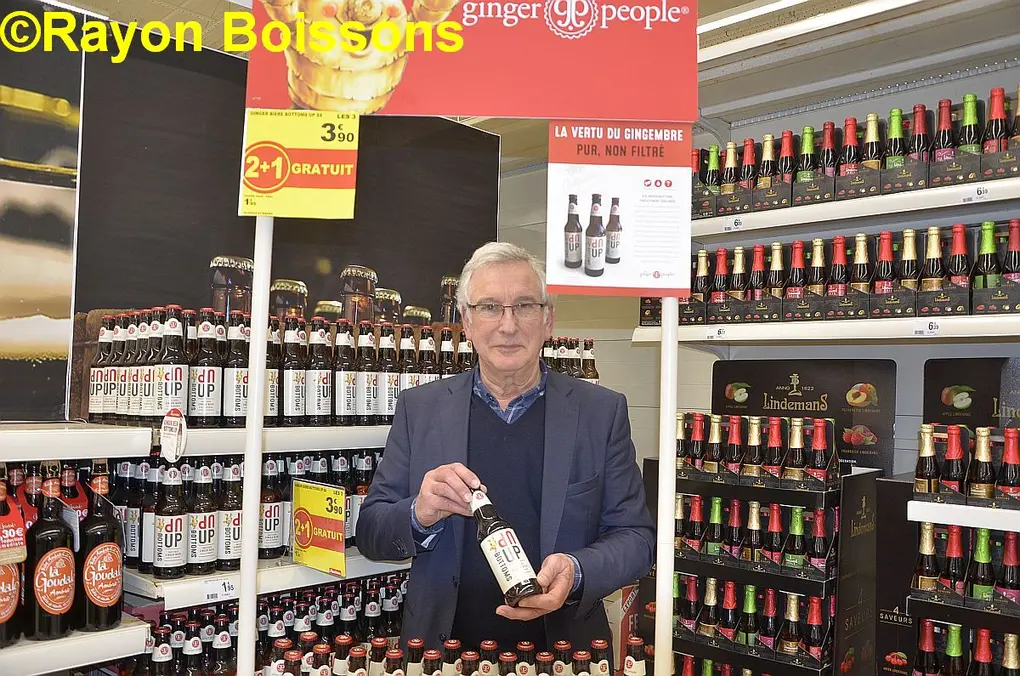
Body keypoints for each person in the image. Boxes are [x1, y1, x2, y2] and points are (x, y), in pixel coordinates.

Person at [356, 242, 654, 652]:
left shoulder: (600, 413)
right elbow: (371, 531)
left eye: (525, 306)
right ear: (466, 320)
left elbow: (637, 539)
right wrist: (418, 514)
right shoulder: (419, 409)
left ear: (548, 320)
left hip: (565, 652)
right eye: (490, 307)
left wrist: (576, 570)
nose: (508, 325)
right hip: (441, 652)